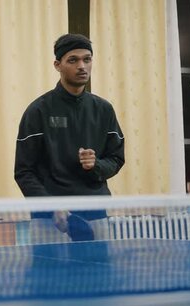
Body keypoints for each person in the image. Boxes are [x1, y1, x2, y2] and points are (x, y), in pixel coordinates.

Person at [14, 34, 125, 243]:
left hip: (95, 213)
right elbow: (23, 171)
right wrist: (51, 207)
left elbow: (116, 159)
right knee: (49, 275)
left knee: (98, 274)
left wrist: (96, 165)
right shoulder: (38, 111)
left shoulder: (104, 110)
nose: (82, 66)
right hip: (49, 219)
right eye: (73, 60)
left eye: (87, 59)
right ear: (58, 65)